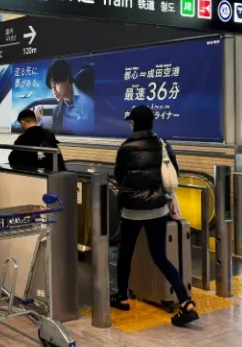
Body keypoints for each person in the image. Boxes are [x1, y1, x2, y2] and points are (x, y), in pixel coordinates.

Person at [111, 105, 198, 327]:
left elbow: (119, 176)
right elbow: (173, 174)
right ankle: (185, 301)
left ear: (132, 123)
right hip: (158, 209)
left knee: (126, 254)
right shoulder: (163, 145)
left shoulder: (125, 148)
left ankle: (121, 296)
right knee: (160, 256)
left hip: (132, 211)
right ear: (152, 123)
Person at [33, 59, 95, 135]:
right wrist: (38, 122)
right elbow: (55, 139)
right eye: (52, 87)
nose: (54, 91)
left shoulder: (88, 91)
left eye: (56, 83)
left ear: (67, 78)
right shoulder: (57, 112)